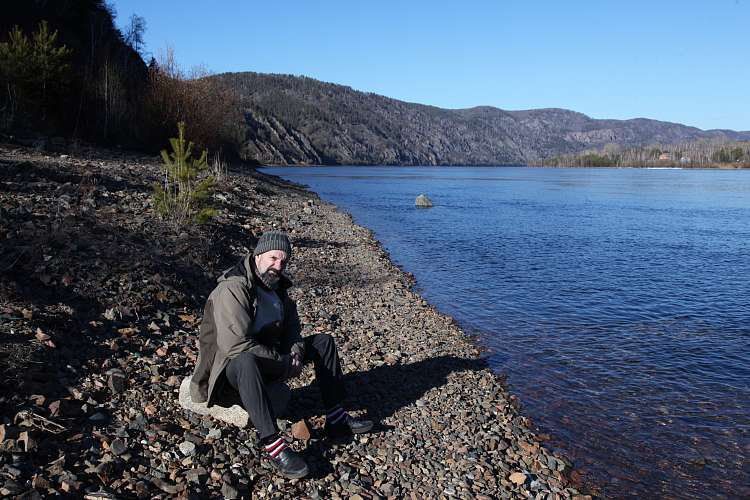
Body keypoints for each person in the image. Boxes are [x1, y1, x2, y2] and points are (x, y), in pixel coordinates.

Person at [189, 230, 372, 479]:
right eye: (273, 258)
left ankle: (336, 418)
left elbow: (293, 328)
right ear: (258, 255)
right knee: (245, 360)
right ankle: (273, 445)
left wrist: (295, 350)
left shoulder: (277, 287)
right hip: (231, 372)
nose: (278, 265)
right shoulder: (233, 288)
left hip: (269, 360)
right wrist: (285, 363)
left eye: (283, 261)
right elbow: (236, 346)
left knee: (323, 342)